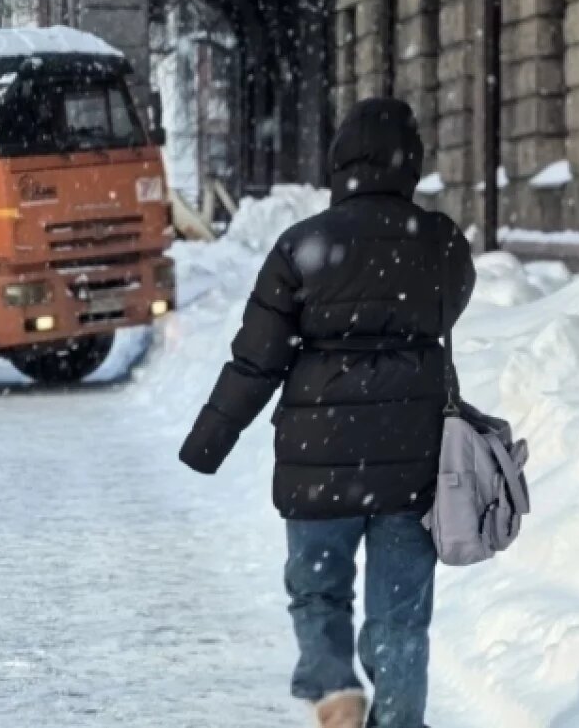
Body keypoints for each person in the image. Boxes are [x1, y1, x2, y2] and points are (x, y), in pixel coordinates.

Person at [178, 98, 476, 728]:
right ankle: (398, 719)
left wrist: (211, 438)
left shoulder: (302, 245)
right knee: (400, 614)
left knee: (317, 590)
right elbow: (447, 313)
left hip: (319, 458)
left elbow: (257, 359)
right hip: (411, 458)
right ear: (410, 162)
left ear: (340, 163)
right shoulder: (441, 241)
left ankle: (336, 688)